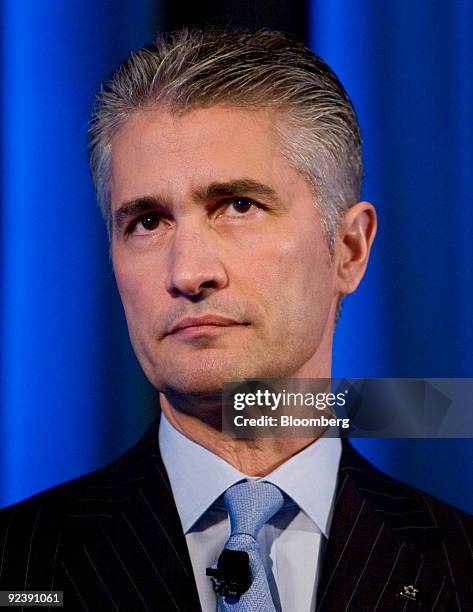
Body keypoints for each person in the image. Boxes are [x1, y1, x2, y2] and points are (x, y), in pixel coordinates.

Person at [0, 27, 471, 612]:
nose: (188, 272)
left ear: (349, 249)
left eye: (238, 206)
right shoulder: (14, 566)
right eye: (147, 221)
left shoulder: (462, 565)